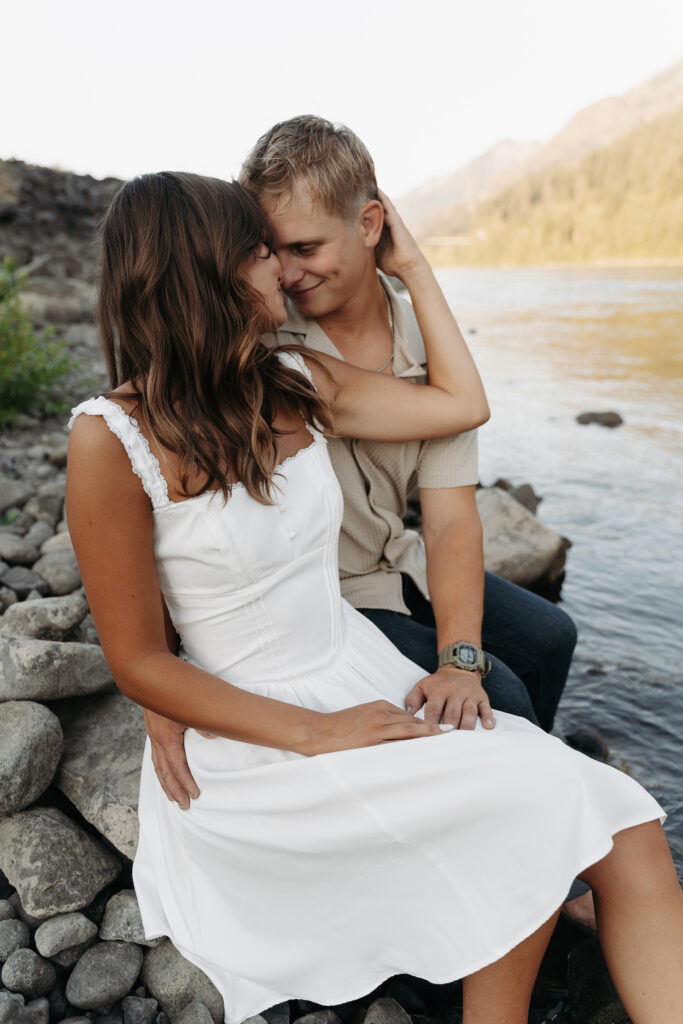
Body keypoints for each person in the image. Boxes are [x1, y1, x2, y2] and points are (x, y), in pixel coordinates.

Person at [66, 171, 683, 1024]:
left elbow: (461, 405)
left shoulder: (290, 378)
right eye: (255, 254)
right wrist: (315, 733)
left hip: (354, 668)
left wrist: (414, 269)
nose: (279, 273)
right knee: (535, 814)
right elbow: (135, 658)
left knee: (628, 825)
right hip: (257, 739)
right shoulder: (110, 441)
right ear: (201, 275)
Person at [143, 117, 577, 813]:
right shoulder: (266, 341)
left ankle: (533, 803)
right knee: (501, 697)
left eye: (306, 246)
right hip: (320, 596)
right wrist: (157, 686)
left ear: (371, 222)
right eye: (271, 251)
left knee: (547, 637)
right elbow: (167, 504)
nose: (285, 272)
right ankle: (524, 831)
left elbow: (448, 517)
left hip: (394, 562)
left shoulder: (422, 335)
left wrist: (457, 657)